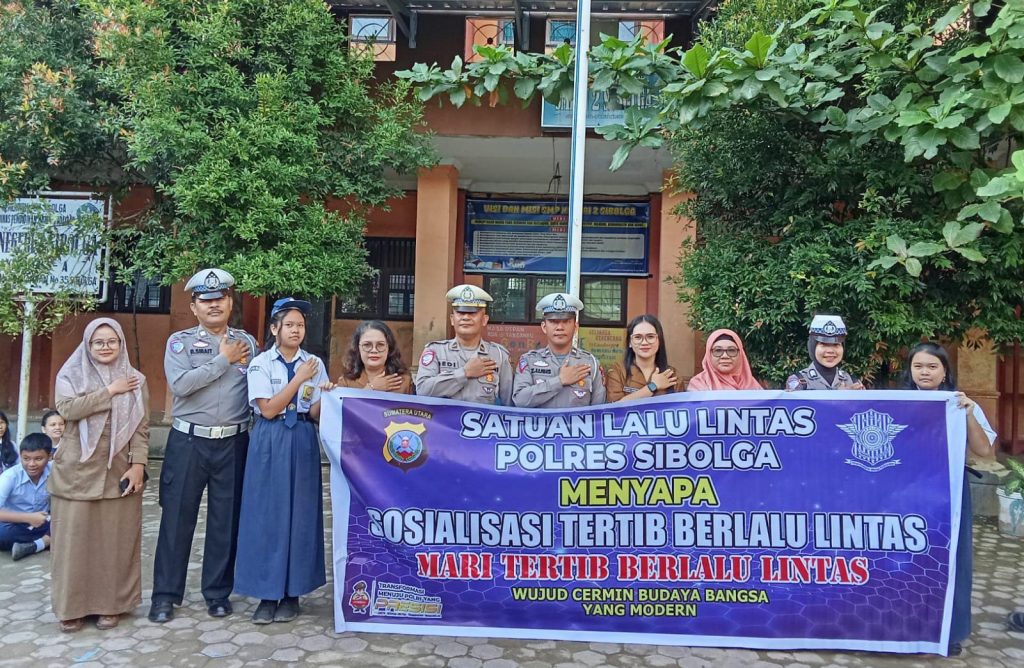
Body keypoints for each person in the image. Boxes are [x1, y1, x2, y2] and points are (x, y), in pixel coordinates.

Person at [149, 268, 258, 624]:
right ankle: (165, 596)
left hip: (234, 441)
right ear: (194, 307)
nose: (214, 305)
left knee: (226, 521)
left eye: (220, 299)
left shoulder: (248, 343)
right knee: (177, 519)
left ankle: (217, 593)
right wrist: (223, 360)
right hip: (189, 441)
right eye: (206, 301)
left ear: (230, 303)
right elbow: (181, 385)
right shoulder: (179, 343)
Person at [235, 297, 330, 624]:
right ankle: (266, 593)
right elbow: (268, 409)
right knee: (267, 513)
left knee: (300, 514)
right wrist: (299, 378)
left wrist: (328, 395)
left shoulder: (314, 363)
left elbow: (314, 412)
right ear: (275, 328)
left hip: (302, 437)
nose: (295, 330)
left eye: (300, 325)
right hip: (270, 438)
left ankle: (293, 594)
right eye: (289, 324)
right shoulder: (261, 363)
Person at [50, 317, 149, 632]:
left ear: (121, 343)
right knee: (73, 541)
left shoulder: (135, 379)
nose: (106, 347)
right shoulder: (70, 374)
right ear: (88, 345)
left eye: (112, 341)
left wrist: (138, 464)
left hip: (117, 470)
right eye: (99, 342)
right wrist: (110, 391)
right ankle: (72, 607)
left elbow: (141, 427)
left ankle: (111, 605)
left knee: (114, 541)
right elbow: (68, 409)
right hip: (76, 471)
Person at [902, 341, 995, 656]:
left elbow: (984, 451)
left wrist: (968, 414)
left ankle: (949, 631)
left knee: (952, 559)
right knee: (908, 561)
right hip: (907, 494)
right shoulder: (898, 403)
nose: (925, 372)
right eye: (918, 366)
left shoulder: (960, 404)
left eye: (932, 366)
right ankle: (908, 626)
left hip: (950, 491)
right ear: (910, 371)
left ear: (945, 372)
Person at [414, 284, 512, 404]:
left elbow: (509, 404)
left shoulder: (499, 355)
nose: (465, 317)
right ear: (452, 319)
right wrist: (464, 373)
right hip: (445, 416)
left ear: (484, 319)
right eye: (460, 312)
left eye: (472, 313)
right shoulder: (436, 351)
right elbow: (422, 391)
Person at [513, 293, 607, 408]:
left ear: (575, 327)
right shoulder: (528, 361)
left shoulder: (590, 363)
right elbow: (520, 400)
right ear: (544, 327)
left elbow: (599, 411)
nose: (560, 327)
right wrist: (559, 381)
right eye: (553, 321)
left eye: (566, 321)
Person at [606, 315, 684, 401]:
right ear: (630, 342)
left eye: (650, 337)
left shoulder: (672, 375)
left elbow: (681, 407)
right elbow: (615, 407)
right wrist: (652, 386)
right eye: (638, 337)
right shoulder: (617, 371)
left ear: (659, 340)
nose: (644, 342)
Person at [0, 433, 52, 561]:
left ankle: (37, 545)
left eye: (38, 459)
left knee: (71, 524)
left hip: (44, 522)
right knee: (2, 533)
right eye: (26, 458)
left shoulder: (55, 471)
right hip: (14, 524)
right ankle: (45, 542)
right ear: (20, 456)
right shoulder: (10, 477)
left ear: (49, 456)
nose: (31, 464)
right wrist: (28, 518)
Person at [785, 315, 864, 390]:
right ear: (812, 347)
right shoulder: (798, 381)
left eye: (836, 344)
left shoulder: (852, 381)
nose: (830, 351)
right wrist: (841, 396)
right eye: (823, 344)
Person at [337, 320, 413, 393]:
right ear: (357, 348)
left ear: (389, 348)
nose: (374, 350)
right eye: (367, 345)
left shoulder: (404, 381)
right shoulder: (345, 382)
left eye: (380, 344)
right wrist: (371, 388)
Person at [687, 328, 763, 391]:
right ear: (708, 355)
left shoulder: (751, 384)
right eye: (718, 350)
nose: (725, 356)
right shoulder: (699, 383)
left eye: (731, 350)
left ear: (740, 354)